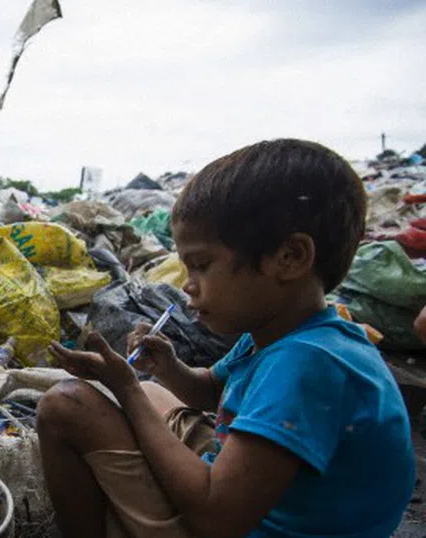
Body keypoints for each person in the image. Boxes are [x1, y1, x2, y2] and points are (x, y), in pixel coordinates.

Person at [37, 139, 415, 538]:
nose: (187, 285)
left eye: (201, 265)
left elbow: (216, 519)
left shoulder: (304, 364)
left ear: (290, 257)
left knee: (66, 405)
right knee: (152, 392)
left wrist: (126, 389)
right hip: (260, 497)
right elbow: (213, 391)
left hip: (236, 520)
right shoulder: (288, 331)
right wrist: (168, 368)